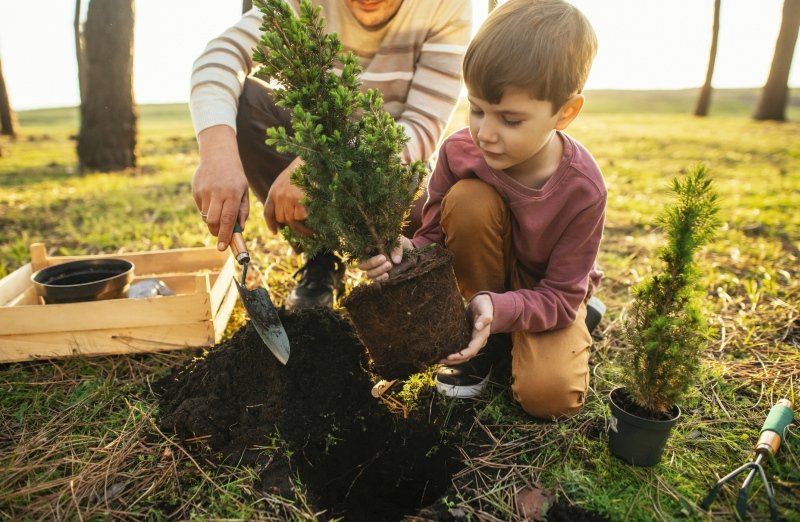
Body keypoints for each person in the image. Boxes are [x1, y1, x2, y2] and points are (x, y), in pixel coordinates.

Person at [359, 0, 605, 419]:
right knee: (468, 200)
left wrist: (503, 307)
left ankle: (574, 316)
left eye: (510, 120)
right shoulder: (459, 151)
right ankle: (481, 342)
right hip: (480, 273)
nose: (486, 134)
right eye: (477, 110)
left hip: (544, 290)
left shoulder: (584, 190)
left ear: (565, 112)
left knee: (549, 398)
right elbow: (432, 236)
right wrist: (404, 253)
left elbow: (559, 296)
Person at [190, 0, 473, 309]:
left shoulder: (447, 6)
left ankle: (397, 264)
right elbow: (220, 56)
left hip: (394, 176)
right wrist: (218, 154)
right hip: (312, 147)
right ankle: (319, 257)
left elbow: (418, 131)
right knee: (247, 105)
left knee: (436, 216)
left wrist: (318, 162)